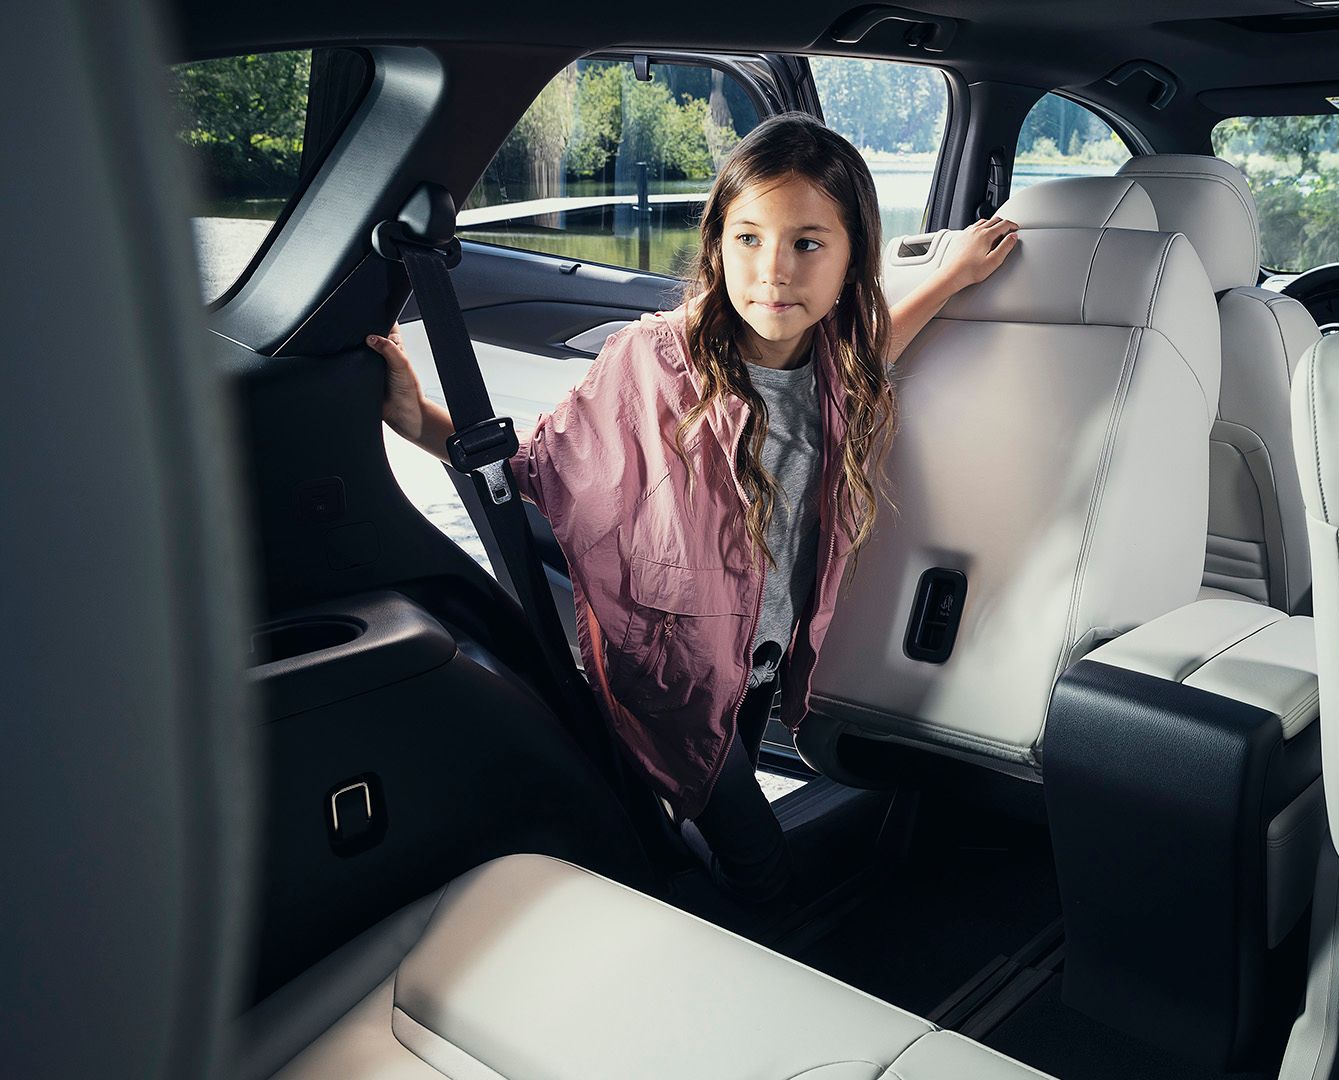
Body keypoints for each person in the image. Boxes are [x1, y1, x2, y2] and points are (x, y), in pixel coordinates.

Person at [375, 112, 1018, 903]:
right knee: (760, 860)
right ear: (716, 244)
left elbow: (877, 350)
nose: (774, 271)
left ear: (854, 262)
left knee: (710, 805)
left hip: (761, 656)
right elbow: (537, 466)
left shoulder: (833, 366)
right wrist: (421, 423)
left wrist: (948, 278)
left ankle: (690, 899)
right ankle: (755, 945)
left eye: (808, 244)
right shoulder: (650, 360)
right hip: (671, 674)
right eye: (749, 238)